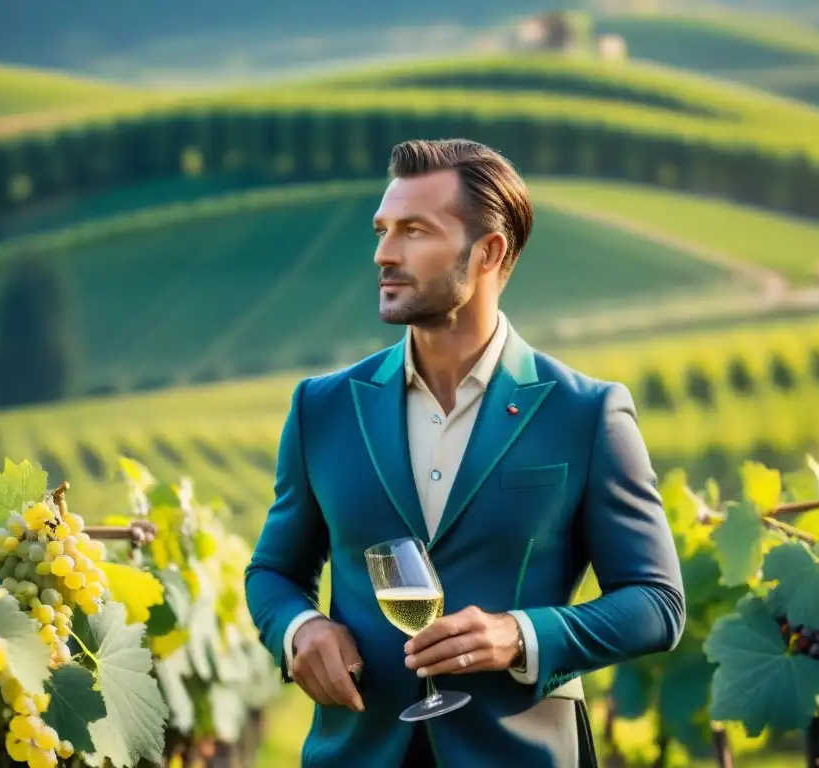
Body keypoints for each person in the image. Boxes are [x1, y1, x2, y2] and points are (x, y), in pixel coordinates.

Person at [244, 138, 686, 767]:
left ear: (489, 251)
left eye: (414, 231)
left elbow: (656, 602)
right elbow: (273, 573)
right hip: (358, 752)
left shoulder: (586, 414)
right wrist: (300, 629)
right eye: (383, 230)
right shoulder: (323, 407)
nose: (384, 254)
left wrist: (519, 635)